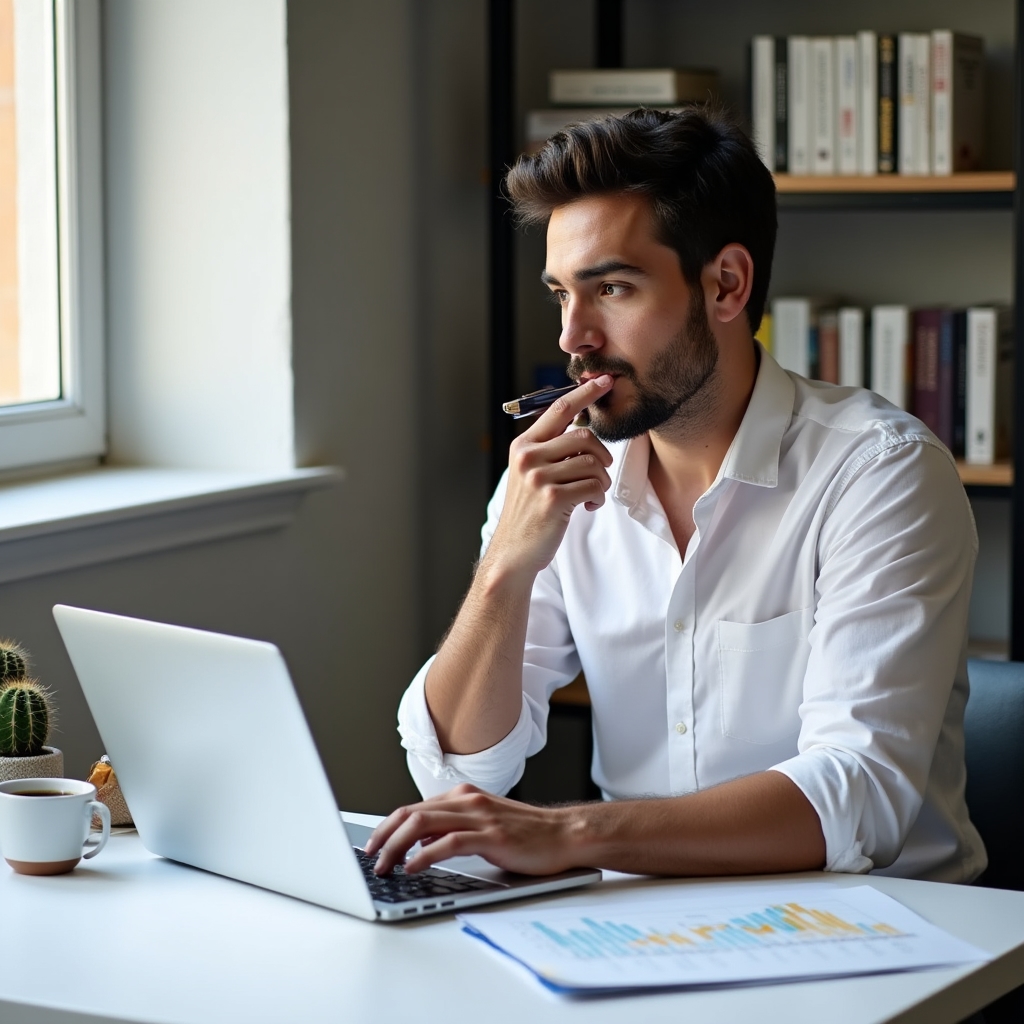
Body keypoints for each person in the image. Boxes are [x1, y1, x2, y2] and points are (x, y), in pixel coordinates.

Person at [365, 106, 985, 884]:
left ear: (726, 285)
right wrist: (504, 570)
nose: (572, 337)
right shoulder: (553, 483)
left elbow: (858, 794)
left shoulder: (880, 473)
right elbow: (461, 774)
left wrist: (572, 835)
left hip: (885, 941)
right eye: (562, 294)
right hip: (641, 933)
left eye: (612, 289)